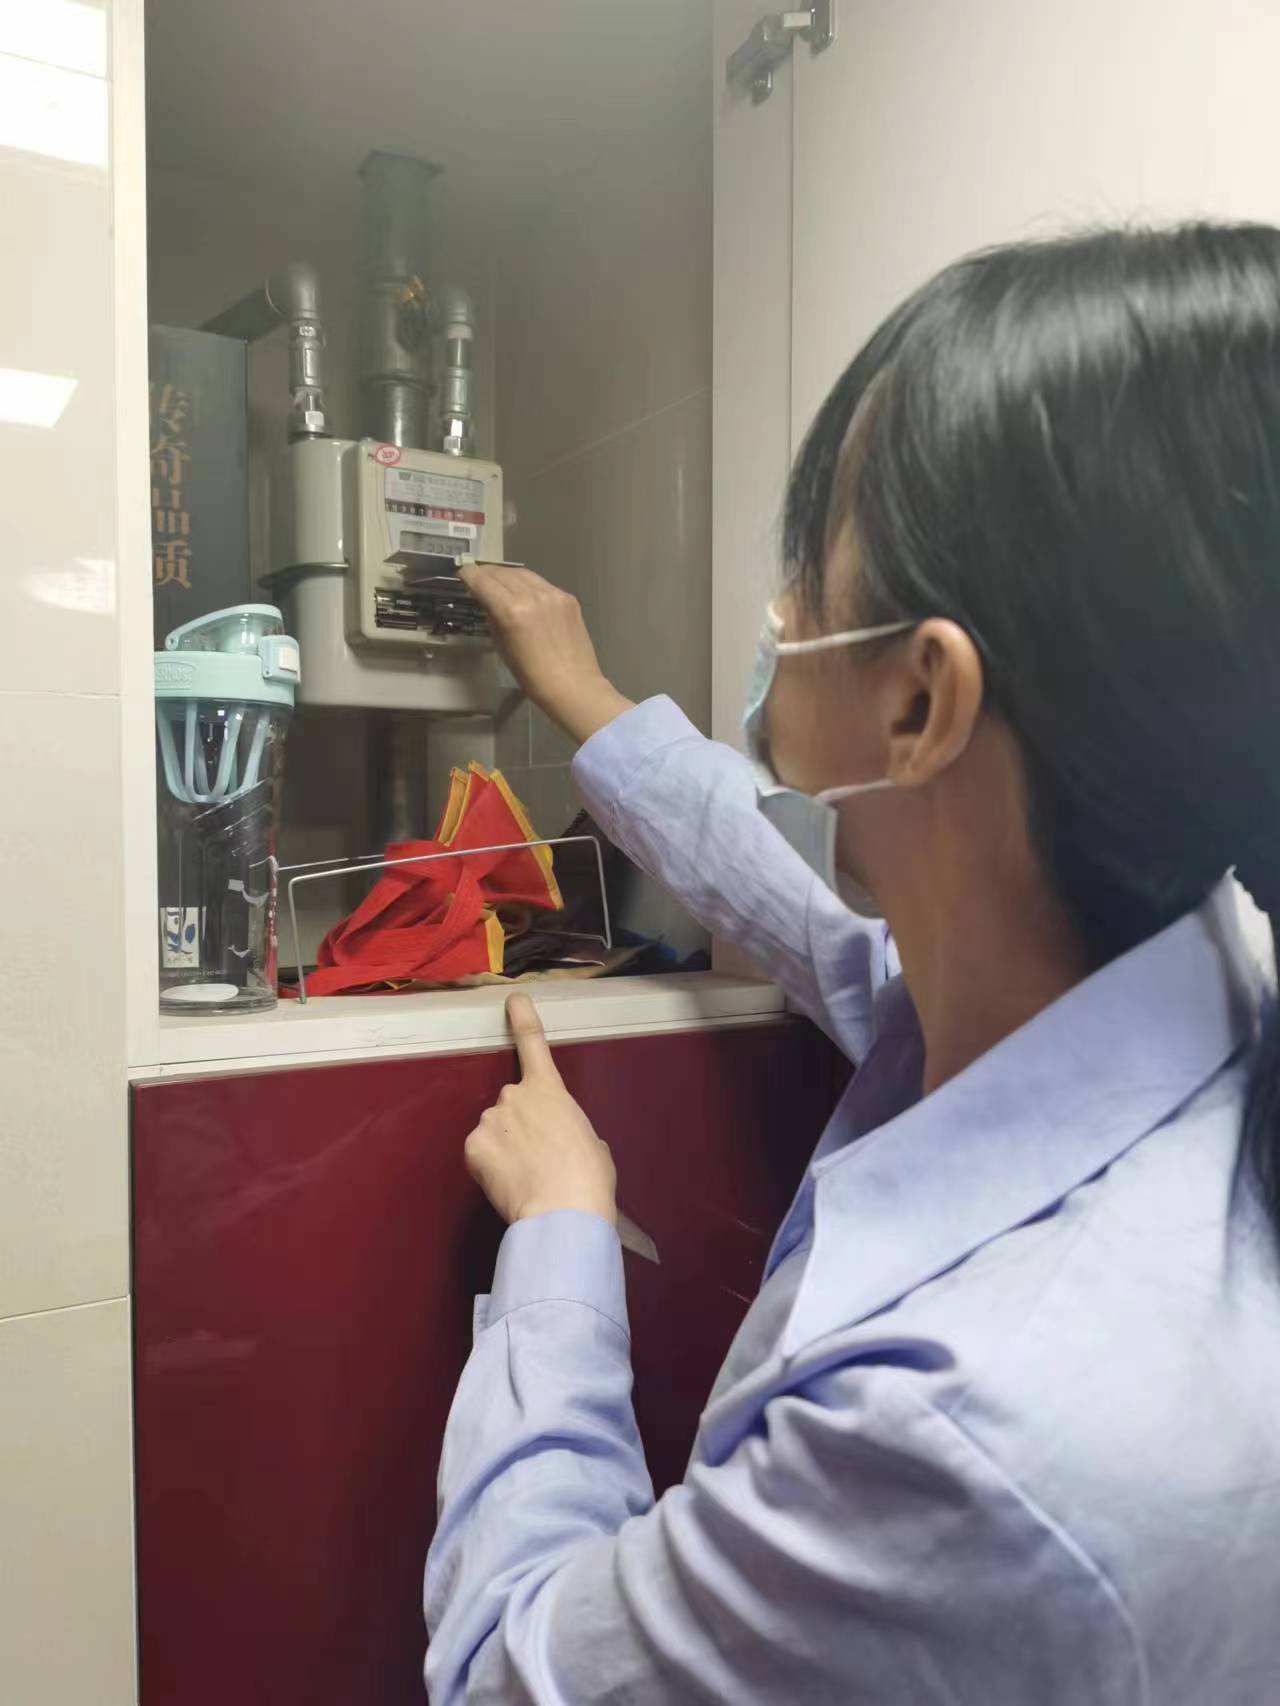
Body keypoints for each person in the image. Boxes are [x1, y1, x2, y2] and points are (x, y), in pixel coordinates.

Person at [423, 224, 1280, 1704]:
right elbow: (822, 915)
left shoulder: (965, 1440)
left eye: (812, 567)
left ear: (920, 704)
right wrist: (590, 697)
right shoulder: (1165, 989)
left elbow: (512, 1669)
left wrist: (562, 1238)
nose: (780, 616)